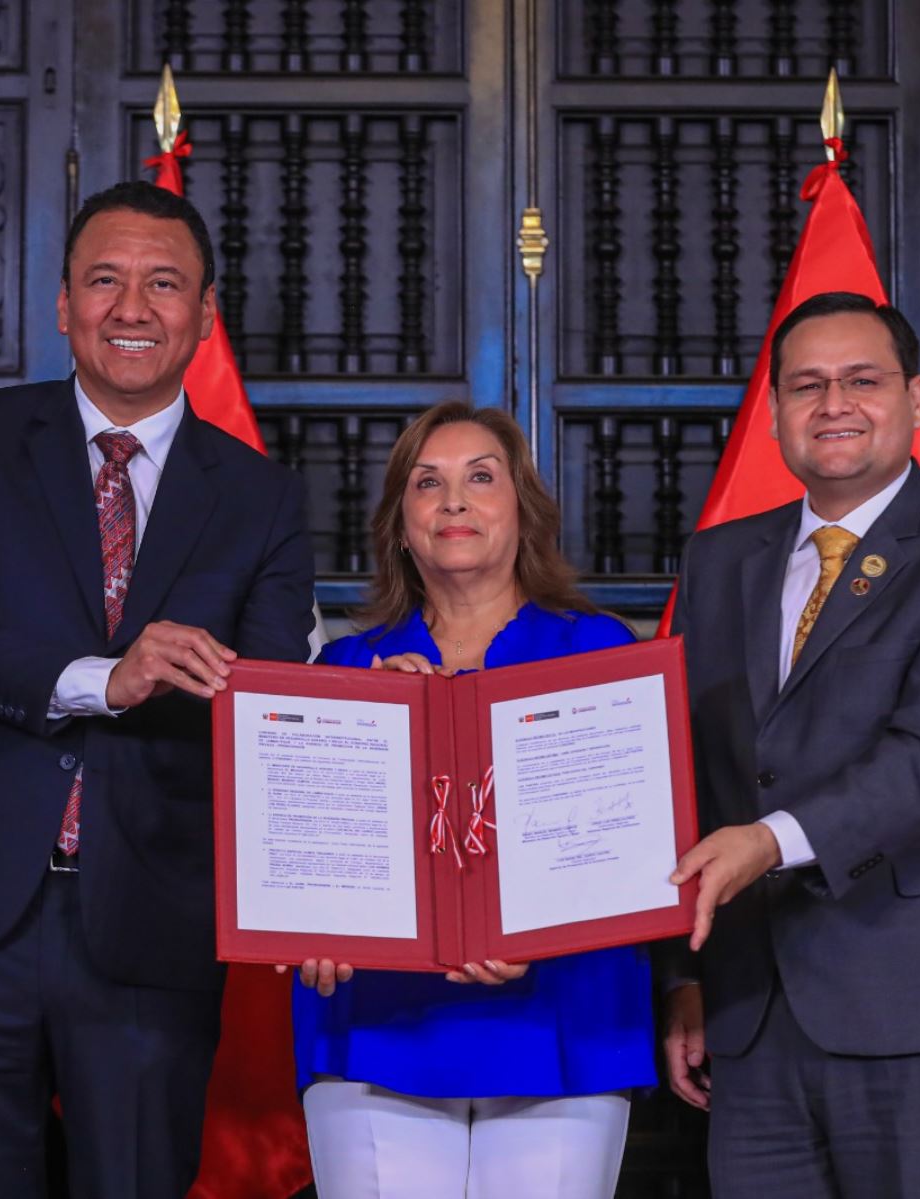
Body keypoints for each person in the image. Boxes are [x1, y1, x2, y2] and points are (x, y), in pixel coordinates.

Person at [0, 181, 317, 1197]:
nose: (131, 307)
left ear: (205, 313)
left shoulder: (262, 494)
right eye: (104, 280)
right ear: (63, 303)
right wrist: (109, 678)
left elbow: (270, 700)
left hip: (154, 910)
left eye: (163, 284)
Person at [661, 291, 920, 1197]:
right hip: (750, 1018)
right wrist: (682, 977)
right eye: (807, 385)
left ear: (915, 398)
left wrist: (769, 842)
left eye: (862, 380)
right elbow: (689, 775)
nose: (833, 403)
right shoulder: (719, 559)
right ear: (773, 414)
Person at [287, 401, 650, 1199]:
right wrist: (312, 924)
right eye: (428, 483)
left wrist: (539, 933)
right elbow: (311, 863)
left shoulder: (601, 651)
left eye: (481, 478)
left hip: (563, 1012)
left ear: (524, 511)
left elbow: (632, 853)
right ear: (401, 524)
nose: (453, 501)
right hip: (377, 1022)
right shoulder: (343, 673)